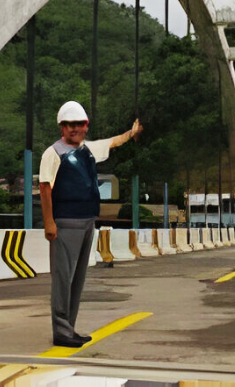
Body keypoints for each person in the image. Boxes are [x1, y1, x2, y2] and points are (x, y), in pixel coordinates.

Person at [39, 100, 143, 348]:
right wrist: (49, 223)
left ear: (86, 126)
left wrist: (132, 133)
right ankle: (61, 330)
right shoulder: (53, 153)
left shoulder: (88, 150)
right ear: (61, 127)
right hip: (65, 222)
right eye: (68, 125)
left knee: (77, 279)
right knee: (63, 278)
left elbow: (113, 141)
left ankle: (69, 328)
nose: (74, 129)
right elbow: (44, 188)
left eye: (79, 124)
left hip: (87, 221)